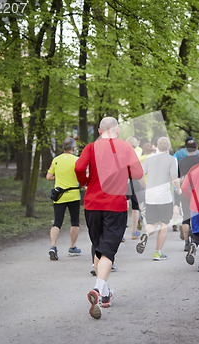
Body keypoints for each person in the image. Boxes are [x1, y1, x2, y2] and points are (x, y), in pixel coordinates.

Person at [75, 117, 143, 320]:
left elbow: (79, 168)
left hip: (93, 204)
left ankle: (105, 295)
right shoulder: (125, 147)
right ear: (117, 131)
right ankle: (97, 289)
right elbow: (138, 173)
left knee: (98, 247)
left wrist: (85, 181)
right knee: (107, 251)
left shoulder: (91, 147)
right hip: (115, 205)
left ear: (98, 130)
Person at [136, 137, 179, 261]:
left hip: (150, 196)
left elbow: (140, 176)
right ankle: (157, 252)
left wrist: (145, 187)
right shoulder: (172, 159)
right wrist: (179, 190)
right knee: (164, 225)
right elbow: (174, 178)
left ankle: (145, 234)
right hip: (164, 196)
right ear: (169, 147)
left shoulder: (149, 158)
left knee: (152, 224)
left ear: (157, 147)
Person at [46, 137, 81, 260]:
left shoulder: (56, 160)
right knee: (75, 221)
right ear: (73, 148)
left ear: (63, 148)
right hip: (73, 195)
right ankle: (72, 247)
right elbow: (81, 177)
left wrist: (59, 176)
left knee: (57, 222)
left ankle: (53, 246)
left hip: (59, 195)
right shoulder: (77, 160)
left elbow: (48, 176)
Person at [178, 138, 199, 251]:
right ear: (197, 148)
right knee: (197, 216)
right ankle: (195, 241)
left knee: (186, 217)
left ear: (186, 149)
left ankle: (186, 243)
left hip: (185, 191)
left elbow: (179, 178)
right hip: (198, 192)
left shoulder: (182, 161)